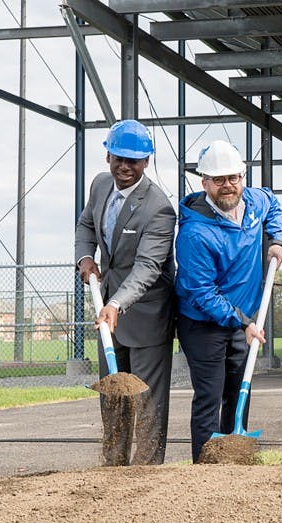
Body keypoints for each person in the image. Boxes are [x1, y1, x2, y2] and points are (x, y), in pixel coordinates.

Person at [174, 140, 282, 462]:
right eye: (219, 180)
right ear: (204, 182)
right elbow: (203, 293)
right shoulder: (194, 234)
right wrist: (244, 322)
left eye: (234, 177)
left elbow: (274, 206)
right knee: (210, 394)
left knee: (240, 393)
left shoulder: (254, 202)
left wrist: (276, 239)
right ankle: (206, 467)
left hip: (243, 320)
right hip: (202, 322)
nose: (228, 186)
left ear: (242, 176)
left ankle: (236, 461)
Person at [74, 119, 176, 466]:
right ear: (108, 156)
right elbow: (87, 224)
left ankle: (145, 472)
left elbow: (148, 267)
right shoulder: (100, 185)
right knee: (113, 392)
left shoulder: (159, 208)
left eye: (133, 160)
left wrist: (116, 303)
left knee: (146, 397)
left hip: (146, 312)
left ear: (146, 161)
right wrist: (86, 257)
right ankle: (113, 466)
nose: (124, 166)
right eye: (119, 157)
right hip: (109, 308)